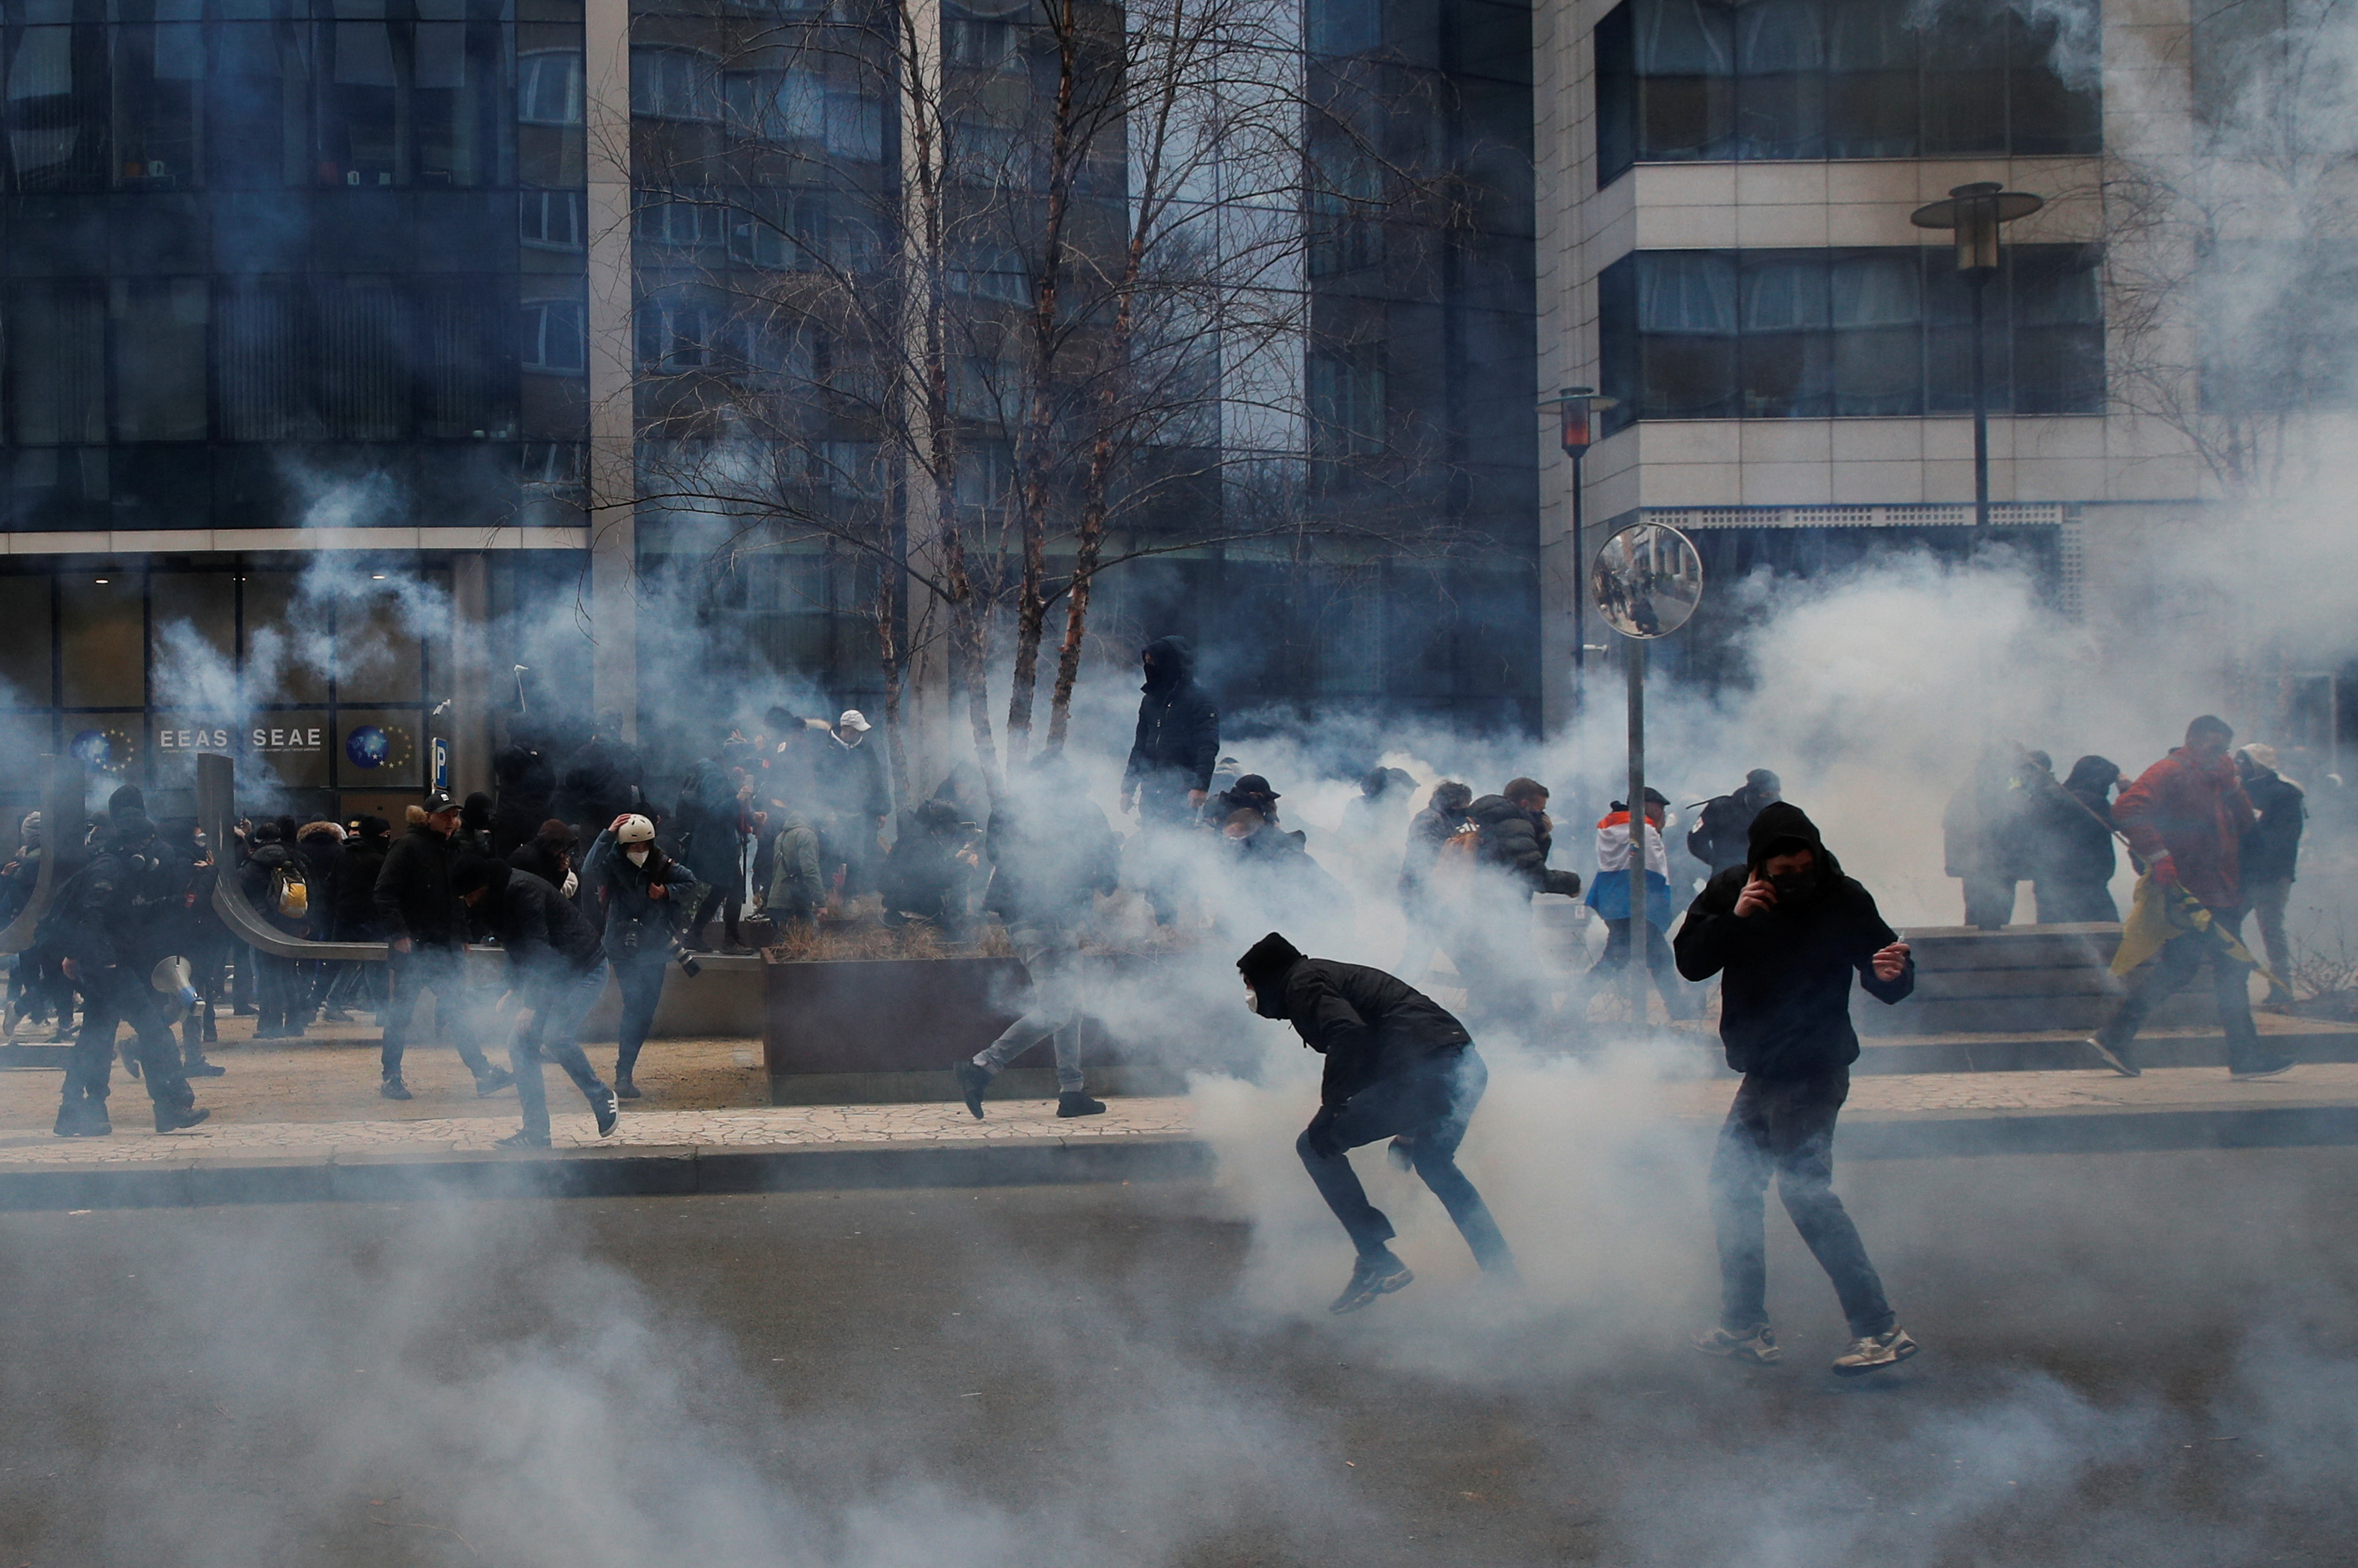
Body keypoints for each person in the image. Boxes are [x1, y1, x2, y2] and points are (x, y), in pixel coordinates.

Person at [1673, 801, 1919, 1375]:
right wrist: (1734, 918)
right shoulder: (1731, 889)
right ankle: (1744, 1324)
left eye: (1803, 866)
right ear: (1760, 865)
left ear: (1815, 856)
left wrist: (1893, 977)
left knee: (1805, 1192)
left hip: (1813, 1066)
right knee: (1731, 1186)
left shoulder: (1842, 896)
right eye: (1781, 871)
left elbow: (1886, 967)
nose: (1794, 878)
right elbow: (1689, 963)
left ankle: (1879, 1328)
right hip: (1762, 1068)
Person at [1235, 931, 1515, 1313]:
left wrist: (1330, 1109)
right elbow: (1380, 1048)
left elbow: (1348, 1033)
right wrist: (1410, 1124)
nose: (1248, 993)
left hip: (1431, 1074)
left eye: (1248, 982)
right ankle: (1504, 1275)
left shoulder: (1303, 982)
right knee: (1434, 1163)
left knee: (1315, 1147)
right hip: (1463, 1069)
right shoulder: (1321, 977)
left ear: (1268, 976)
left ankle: (1377, 1258)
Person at [2087, 716, 2291, 1079]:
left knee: (2181, 969)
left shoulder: (2221, 776)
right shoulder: (2169, 771)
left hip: (2219, 888)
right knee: (2231, 967)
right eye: (2216, 748)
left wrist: (2241, 809)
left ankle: (2115, 1036)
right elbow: (2127, 808)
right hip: (2193, 892)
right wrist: (2160, 858)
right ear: (2194, 741)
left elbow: (2242, 823)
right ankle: (2245, 1058)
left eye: (2226, 749)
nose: (2222, 756)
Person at [954, 760, 1121, 1120]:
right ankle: (982, 1066)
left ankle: (1072, 1091)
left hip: (1034, 917)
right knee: (1058, 1009)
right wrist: (1100, 880)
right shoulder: (1077, 811)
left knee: (1069, 1005)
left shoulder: (1010, 808)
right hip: (1046, 918)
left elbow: (997, 853)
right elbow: (1107, 857)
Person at [44, 808, 209, 1136]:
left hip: (111, 963)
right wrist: (105, 960)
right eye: (146, 841)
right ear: (133, 843)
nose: (151, 848)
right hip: (107, 966)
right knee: (153, 1029)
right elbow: (91, 917)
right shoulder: (109, 868)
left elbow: (134, 914)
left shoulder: (128, 872)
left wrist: (182, 899)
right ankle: (171, 1104)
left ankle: (78, 1110)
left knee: (97, 1036)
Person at [451, 856, 620, 1150]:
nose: (468, 903)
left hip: (585, 969)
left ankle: (602, 1095)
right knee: (520, 1044)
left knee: (556, 1034)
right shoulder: (496, 898)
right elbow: (517, 950)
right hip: (558, 972)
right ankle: (537, 1133)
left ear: (483, 886)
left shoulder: (522, 890)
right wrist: (514, 989)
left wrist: (532, 1004)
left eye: (469, 895)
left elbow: (538, 949)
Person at [373, 792, 512, 1102]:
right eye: (445, 814)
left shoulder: (450, 849)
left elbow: (456, 899)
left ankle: (482, 1074)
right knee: (401, 1015)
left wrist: (461, 934)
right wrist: (399, 933)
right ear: (428, 816)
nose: (451, 820)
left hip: (443, 947)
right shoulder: (407, 847)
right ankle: (391, 1077)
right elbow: (384, 893)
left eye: (454, 815)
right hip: (413, 948)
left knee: (458, 1012)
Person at [1449, 778, 1582, 1034]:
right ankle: (1532, 1036)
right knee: (1524, 977)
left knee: (1487, 982)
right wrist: (1570, 883)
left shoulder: (1475, 818)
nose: (1542, 815)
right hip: (1501, 915)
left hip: (1471, 910)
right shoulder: (1515, 823)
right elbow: (1532, 873)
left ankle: (1491, 1037)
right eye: (1540, 809)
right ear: (1524, 804)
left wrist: (1541, 837)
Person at [582, 813, 698, 1098]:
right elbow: (588, 869)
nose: (640, 851)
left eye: (644, 845)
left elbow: (691, 882)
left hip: (655, 947)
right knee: (635, 1007)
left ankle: (626, 1070)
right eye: (634, 847)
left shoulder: (662, 863)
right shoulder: (612, 865)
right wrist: (607, 834)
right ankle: (624, 1073)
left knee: (645, 1011)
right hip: (623, 947)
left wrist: (666, 892)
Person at [1121, 637, 1219, 922]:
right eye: (1147, 663)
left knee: (1179, 853)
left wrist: (1200, 784)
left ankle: (1191, 914)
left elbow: (1207, 745)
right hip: (1153, 791)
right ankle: (1163, 917)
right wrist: (1129, 787)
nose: (1149, 668)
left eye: (1154, 663)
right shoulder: (1149, 701)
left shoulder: (1200, 700)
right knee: (1155, 851)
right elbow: (1140, 745)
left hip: (1183, 792)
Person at [1586, 788, 1696, 1020]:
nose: (1663, 813)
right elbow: (1655, 870)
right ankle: (1680, 1012)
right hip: (1632, 904)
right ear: (1645, 805)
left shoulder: (1613, 826)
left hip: (1613, 901)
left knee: (1619, 958)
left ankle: (1573, 1005)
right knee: (1655, 958)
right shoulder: (1642, 829)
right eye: (1660, 807)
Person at [2238, 743, 2306, 1004]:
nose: (2238, 767)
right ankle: (2235, 981)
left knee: (2271, 931)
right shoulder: (2242, 789)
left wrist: (2262, 865)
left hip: (2270, 874)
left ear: (2257, 764)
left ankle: (2282, 989)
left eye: (2243, 762)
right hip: (2246, 873)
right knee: (2226, 924)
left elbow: (2283, 839)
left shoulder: (2283, 793)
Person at [239, 820, 312, 1040]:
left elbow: (242, 889)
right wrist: (306, 921)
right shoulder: (295, 857)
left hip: (263, 923)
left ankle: (270, 1024)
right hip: (291, 921)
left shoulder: (254, 861)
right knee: (290, 972)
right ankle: (295, 1022)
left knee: (268, 975)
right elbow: (312, 887)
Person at [2028, 756, 2123, 924]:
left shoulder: (2054, 797)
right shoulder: (2092, 802)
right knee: (2107, 938)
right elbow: (2126, 821)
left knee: (2053, 941)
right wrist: (2127, 791)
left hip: (2049, 885)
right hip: (2088, 888)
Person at [1944, 750, 2031, 929]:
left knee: (1995, 916)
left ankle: (1985, 950)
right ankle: (1979, 952)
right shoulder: (1972, 794)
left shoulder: (1998, 788)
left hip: (1993, 865)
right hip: (1982, 865)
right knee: (1981, 916)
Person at [1397, 781, 1474, 980]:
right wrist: (1457, 843)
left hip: (1435, 894)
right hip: (1420, 893)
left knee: (1422, 952)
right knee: (1427, 951)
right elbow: (1426, 851)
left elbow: (1468, 839)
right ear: (1454, 802)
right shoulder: (1428, 819)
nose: (1466, 807)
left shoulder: (1450, 819)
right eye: (1465, 803)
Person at [675, 753, 751, 952]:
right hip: (718, 845)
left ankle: (695, 934)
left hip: (712, 843)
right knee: (733, 889)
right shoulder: (715, 777)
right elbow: (717, 810)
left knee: (722, 890)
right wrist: (738, 799)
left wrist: (750, 817)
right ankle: (729, 940)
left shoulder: (706, 774)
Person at [881, 798, 981, 939]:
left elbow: (930, 870)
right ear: (938, 827)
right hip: (913, 917)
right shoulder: (922, 847)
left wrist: (955, 859)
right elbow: (939, 878)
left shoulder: (914, 840)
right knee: (957, 939)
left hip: (903, 910)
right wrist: (969, 868)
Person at [1686, 769, 1782, 880]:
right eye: (1766, 794)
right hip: (1727, 879)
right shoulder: (1720, 808)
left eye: (1776, 793)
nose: (1772, 798)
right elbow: (1696, 839)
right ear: (1752, 792)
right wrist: (1717, 861)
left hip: (1767, 877)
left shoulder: (1779, 811)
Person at [490, 722, 556, 857]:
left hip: (507, 814)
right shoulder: (540, 754)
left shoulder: (502, 754)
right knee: (537, 856)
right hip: (535, 815)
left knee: (506, 857)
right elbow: (551, 781)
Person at [765, 808, 826, 932]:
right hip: (794, 905)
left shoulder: (780, 837)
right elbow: (810, 871)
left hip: (776, 902)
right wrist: (821, 903)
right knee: (811, 943)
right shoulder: (807, 835)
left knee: (784, 946)